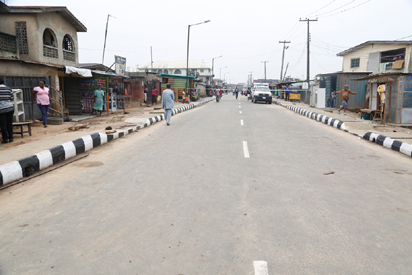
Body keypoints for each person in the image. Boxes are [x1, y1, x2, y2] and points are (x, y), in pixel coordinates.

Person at [0, 78, 14, 143]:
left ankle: (5, 139)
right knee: (9, 123)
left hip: (1, 109)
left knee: (3, 124)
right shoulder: (9, 88)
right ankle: (11, 138)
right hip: (10, 107)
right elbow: (12, 98)